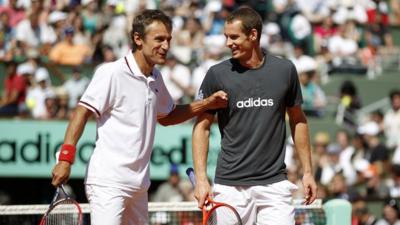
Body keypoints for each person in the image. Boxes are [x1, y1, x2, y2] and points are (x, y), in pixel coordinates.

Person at [51, 9, 228, 225]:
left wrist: (207, 103)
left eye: (169, 39)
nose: (166, 46)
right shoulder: (111, 72)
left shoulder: (155, 76)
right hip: (108, 182)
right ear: (138, 39)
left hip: (139, 185)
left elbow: (168, 116)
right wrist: (66, 158)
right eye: (159, 39)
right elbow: (81, 111)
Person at [192, 7, 317, 225]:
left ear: (253, 35)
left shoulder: (285, 70)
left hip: (274, 184)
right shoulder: (216, 74)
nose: (228, 43)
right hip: (230, 186)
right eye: (226, 37)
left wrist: (308, 172)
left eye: (234, 37)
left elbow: (298, 120)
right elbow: (201, 127)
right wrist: (201, 179)